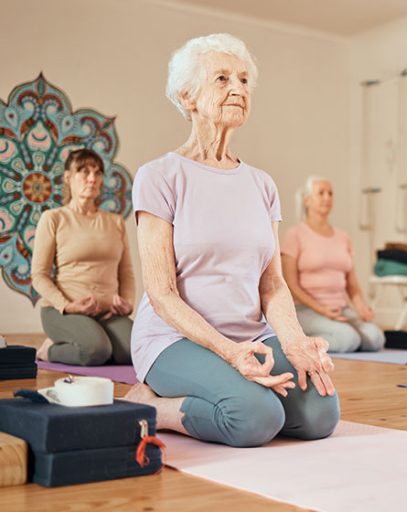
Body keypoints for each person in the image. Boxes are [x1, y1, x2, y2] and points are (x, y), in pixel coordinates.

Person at [124, 33, 339, 447]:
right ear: (187, 96)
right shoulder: (159, 176)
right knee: (255, 417)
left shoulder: (262, 184)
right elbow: (162, 293)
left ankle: (235, 388)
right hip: (174, 340)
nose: (238, 89)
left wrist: (295, 342)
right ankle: (151, 406)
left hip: (251, 336)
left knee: (319, 414)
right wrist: (229, 353)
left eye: (243, 80)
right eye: (222, 79)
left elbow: (272, 284)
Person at [31, 148, 135, 365]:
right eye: (84, 171)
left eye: (98, 172)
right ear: (68, 177)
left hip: (107, 313)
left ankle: (99, 341)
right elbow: (39, 275)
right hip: (63, 311)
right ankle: (49, 350)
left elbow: (126, 273)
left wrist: (128, 304)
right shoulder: (53, 218)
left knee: (134, 351)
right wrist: (67, 305)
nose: (92, 178)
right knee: (96, 350)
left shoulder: (115, 222)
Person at [281, 177, 385, 353]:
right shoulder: (295, 234)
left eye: (330, 193)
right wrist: (322, 309)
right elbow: (291, 284)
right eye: (321, 193)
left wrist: (361, 307)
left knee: (375, 338)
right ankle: (300, 343)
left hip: (340, 309)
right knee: (348, 339)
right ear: (307, 200)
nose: (327, 197)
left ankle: (339, 336)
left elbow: (352, 285)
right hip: (306, 310)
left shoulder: (343, 237)